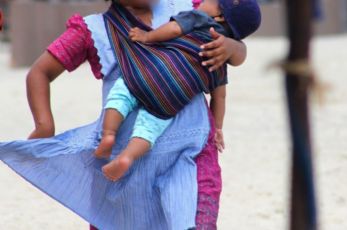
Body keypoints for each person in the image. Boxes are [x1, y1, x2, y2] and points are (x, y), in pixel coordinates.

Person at [0, 0, 248, 229]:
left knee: (198, 221)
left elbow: (236, 37)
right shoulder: (93, 30)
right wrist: (44, 125)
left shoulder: (187, 6)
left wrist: (232, 47)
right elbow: (40, 73)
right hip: (125, 168)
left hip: (192, 155)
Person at [95, 0, 261, 182]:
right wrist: (218, 127)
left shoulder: (200, 18)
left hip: (154, 70)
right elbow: (220, 97)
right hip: (172, 99)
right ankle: (128, 157)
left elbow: (173, 29)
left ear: (219, 16)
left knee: (122, 93)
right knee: (150, 127)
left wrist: (146, 37)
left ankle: (109, 134)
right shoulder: (220, 62)